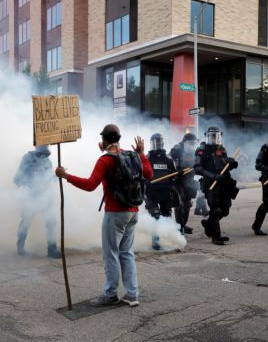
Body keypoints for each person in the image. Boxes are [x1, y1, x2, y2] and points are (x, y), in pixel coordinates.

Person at [55, 124, 153, 307]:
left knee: (111, 254)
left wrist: (66, 176)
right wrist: (141, 153)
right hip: (133, 212)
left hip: (115, 213)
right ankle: (132, 295)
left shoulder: (106, 160)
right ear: (118, 139)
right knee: (126, 253)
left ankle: (110, 294)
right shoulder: (131, 156)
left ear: (104, 140)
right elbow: (148, 173)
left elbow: (90, 184)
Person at [14, 145, 61, 259]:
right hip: (31, 195)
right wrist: (29, 188)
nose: (45, 147)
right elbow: (17, 179)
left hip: (45, 195)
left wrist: (56, 177)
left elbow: (48, 180)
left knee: (50, 221)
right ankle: (20, 246)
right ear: (36, 146)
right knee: (26, 220)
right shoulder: (27, 158)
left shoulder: (48, 161)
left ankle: (52, 249)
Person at [195, 126, 239, 245]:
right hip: (211, 184)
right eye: (212, 136)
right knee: (216, 210)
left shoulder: (222, 149)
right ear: (207, 136)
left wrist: (232, 163)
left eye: (216, 136)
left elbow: (224, 166)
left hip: (224, 183)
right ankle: (216, 237)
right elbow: (198, 169)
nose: (214, 139)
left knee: (225, 210)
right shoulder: (202, 150)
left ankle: (209, 224)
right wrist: (213, 176)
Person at [145, 133, 177, 250]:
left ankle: (171, 241)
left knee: (167, 217)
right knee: (155, 217)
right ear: (152, 143)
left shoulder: (168, 159)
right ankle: (155, 241)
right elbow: (141, 174)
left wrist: (175, 179)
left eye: (160, 142)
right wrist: (145, 181)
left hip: (165, 193)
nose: (158, 144)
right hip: (151, 193)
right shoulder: (147, 158)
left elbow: (174, 174)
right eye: (156, 142)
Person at [170, 133, 200, 233]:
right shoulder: (177, 149)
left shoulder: (195, 152)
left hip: (189, 180)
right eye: (190, 143)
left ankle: (183, 224)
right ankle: (179, 226)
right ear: (184, 143)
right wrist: (177, 169)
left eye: (194, 144)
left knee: (188, 203)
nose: (192, 146)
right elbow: (170, 162)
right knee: (180, 202)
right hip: (178, 180)